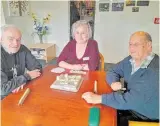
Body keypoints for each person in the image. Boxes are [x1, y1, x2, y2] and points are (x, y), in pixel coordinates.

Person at [82, 31, 159, 125]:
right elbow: (112, 71)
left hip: (143, 118)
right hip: (126, 105)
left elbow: (130, 100)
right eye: (130, 44)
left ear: (148, 45)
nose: (131, 48)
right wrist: (113, 83)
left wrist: (99, 98)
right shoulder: (131, 59)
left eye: (136, 44)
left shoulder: (154, 71)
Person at [0, 25, 42, 100]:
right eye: (11, 39)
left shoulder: (22, 49)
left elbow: (37, 68)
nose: (16, 43)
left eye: (18, 39)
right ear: (1, 39)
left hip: (20, 90)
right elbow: (2, 90)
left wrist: (21, 82)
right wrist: (25, 77)